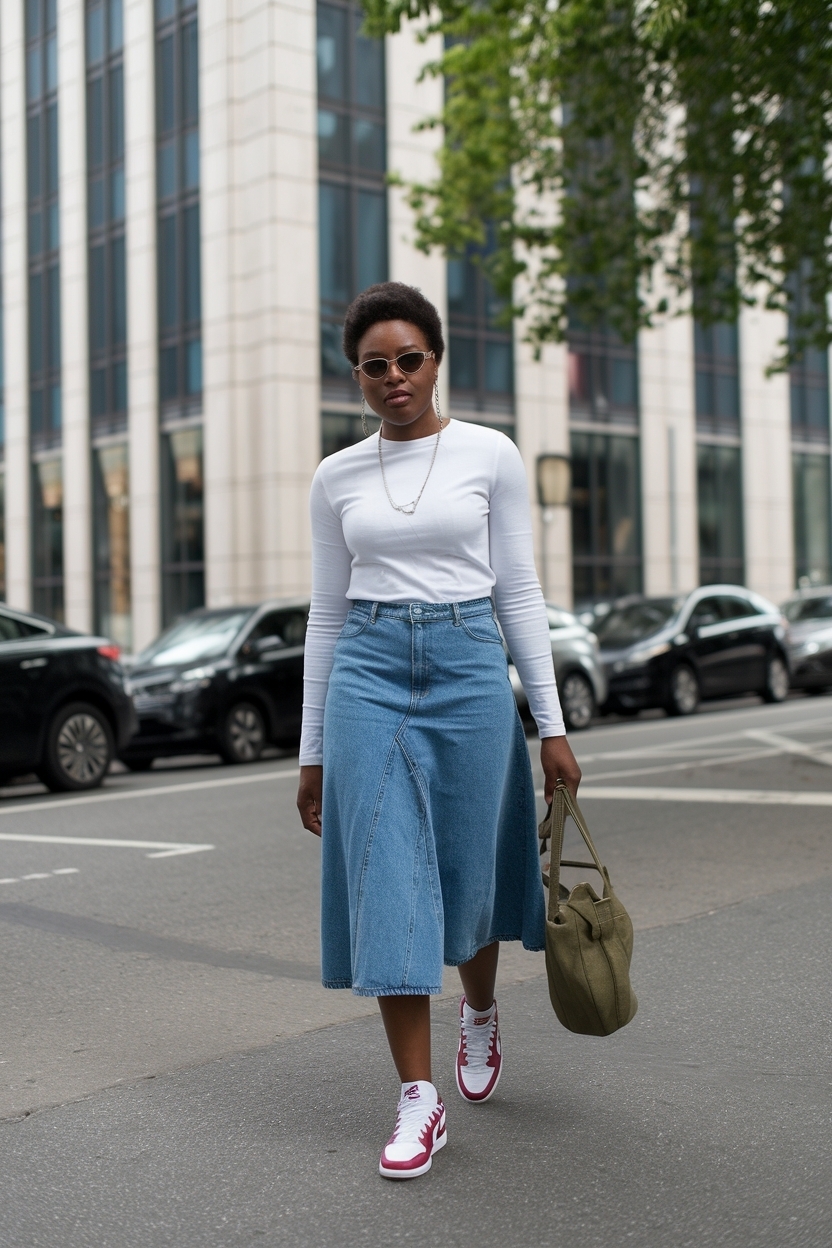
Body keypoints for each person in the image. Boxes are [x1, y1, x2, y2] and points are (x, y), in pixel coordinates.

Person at [296, 281, 581, 1180]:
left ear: (436, 359)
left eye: (408, 359)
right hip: (368, 671)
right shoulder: (335, 476)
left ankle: (482, 1007)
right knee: (387, 873)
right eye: (374, 366)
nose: (393, 377)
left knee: (470, 868)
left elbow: (520, 593)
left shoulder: (490, 455)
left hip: (467, 662)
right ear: (357, 377)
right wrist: (310, 749)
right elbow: (326, 615)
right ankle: (418, 1098)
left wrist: (553, 725)